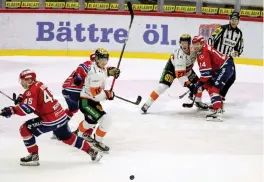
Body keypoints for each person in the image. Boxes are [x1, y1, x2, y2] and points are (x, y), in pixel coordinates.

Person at [1, 69, 102, 166]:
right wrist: (22, 99)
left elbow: (28, 109)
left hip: (50, 119)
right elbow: (36, 99)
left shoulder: (31, 91)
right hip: (60, 115)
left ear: (29, 80)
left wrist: (12, 110)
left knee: (24, 129)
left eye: (23, 80)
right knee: (68, 137)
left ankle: (33, 156)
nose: (21, 83)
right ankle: (92, 151)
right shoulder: (39, 84)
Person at [141, 34, 208, 113]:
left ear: (189, 43)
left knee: (199, 85)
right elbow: (180, 76)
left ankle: (197, 101)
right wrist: (190, 86)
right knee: (162, 86)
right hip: (172, 69)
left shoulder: (194, 49)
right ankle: (147, 104)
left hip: (187, 70)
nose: (183, 45)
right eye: (182, 43)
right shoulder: (180, 56)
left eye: (185, 43)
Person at [74, 48, 120, 153]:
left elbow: (103, 72)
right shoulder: (95, 75)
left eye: (106, 59)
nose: (104, 62)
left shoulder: (98, 68)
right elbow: (96, 95)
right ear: (97, 59)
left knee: (90, 122)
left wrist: (111, 71)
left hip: (87, 100)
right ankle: (97, 141)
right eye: (101, 59)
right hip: (87, 102)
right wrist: (108, 94)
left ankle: (78, 133)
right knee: (106, 120)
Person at [51, 52, 96, 139]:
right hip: (75, 91)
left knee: (73, 109)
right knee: (93, 110)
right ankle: (85, 133)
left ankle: (58, 129)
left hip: (66, 90)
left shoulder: (87, 64)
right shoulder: (91, 66)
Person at [192, 35, 235, 121]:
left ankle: (218, 112)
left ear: (202, 43)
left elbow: (206, 74)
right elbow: (207, 74)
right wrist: (202, 84)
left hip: (225, 67)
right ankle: (219, 106)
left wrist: (197, 84)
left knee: (214, 89)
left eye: (197, 44)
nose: (195, 46)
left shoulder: (203, 53)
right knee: (209, 85)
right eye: (194, 44)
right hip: (224, 67)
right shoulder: (203, 49)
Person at [208, 12, 244, 100]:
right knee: (209, 77)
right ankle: (197, 92)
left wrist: (237, 53)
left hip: (228, 59)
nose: (233, 21)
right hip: (216, 57)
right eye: (232, 19)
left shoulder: (239, 33)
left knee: (232, 77)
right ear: (229, 19)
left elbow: (240, 48)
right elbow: (211, 39)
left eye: (235, 20)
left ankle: (221, 94)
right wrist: (211, 52)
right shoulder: (222, 29)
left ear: (238, 21)